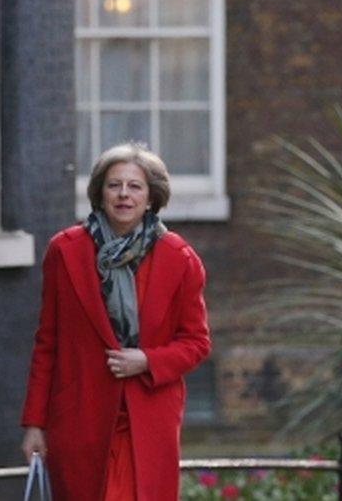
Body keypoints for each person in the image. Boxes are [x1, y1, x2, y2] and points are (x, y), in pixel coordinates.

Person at [20, 143, 211, 500]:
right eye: (114, 185)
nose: (124, 194)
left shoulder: (180, 258)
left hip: (147, 418)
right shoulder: (65, 250)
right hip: (80, 418)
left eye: (135, 186)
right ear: (99, 193)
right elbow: (48, 341)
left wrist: (148, 360)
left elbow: (197, 342)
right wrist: (34, 423)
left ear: (151, 197)